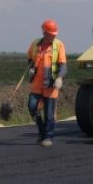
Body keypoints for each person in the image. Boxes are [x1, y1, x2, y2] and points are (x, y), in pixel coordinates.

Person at [27, 18, 66, 147]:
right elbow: (30, 60)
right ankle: (41, 129)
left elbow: (63, 65)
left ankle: (48, 137)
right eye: (51, 34)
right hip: (37, 84)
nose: (54, 36)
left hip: (51, 84)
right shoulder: (35, 44)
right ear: (44, 33)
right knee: (32, 107)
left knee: (49, 114)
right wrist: (31, 68)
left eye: (55, 34)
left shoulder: (59, 45)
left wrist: (60, 77)